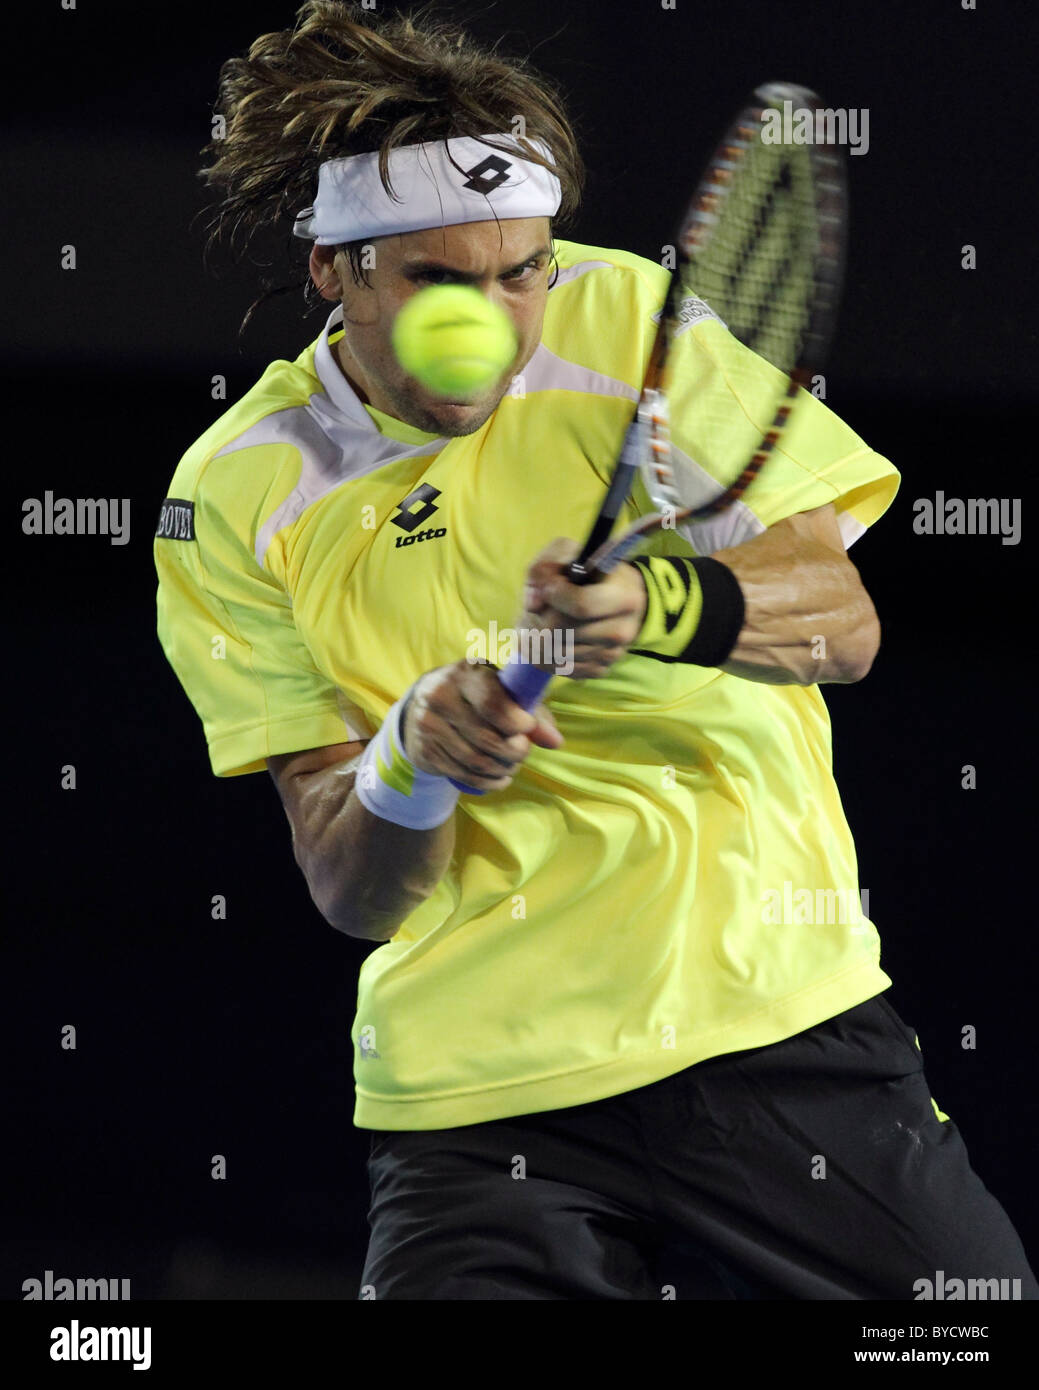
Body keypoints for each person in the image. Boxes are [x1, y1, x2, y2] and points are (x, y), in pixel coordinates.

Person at [154, 1, 1036, 1300]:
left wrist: (659, 608)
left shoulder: (632, 323)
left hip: (766, 1015)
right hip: (478, 1090)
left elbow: (841, 623)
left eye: (523, 271)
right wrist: (411, 759)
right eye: (438, 281)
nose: (499, 320)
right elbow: (355, 892)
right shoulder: (234, 494)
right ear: (331, 270)